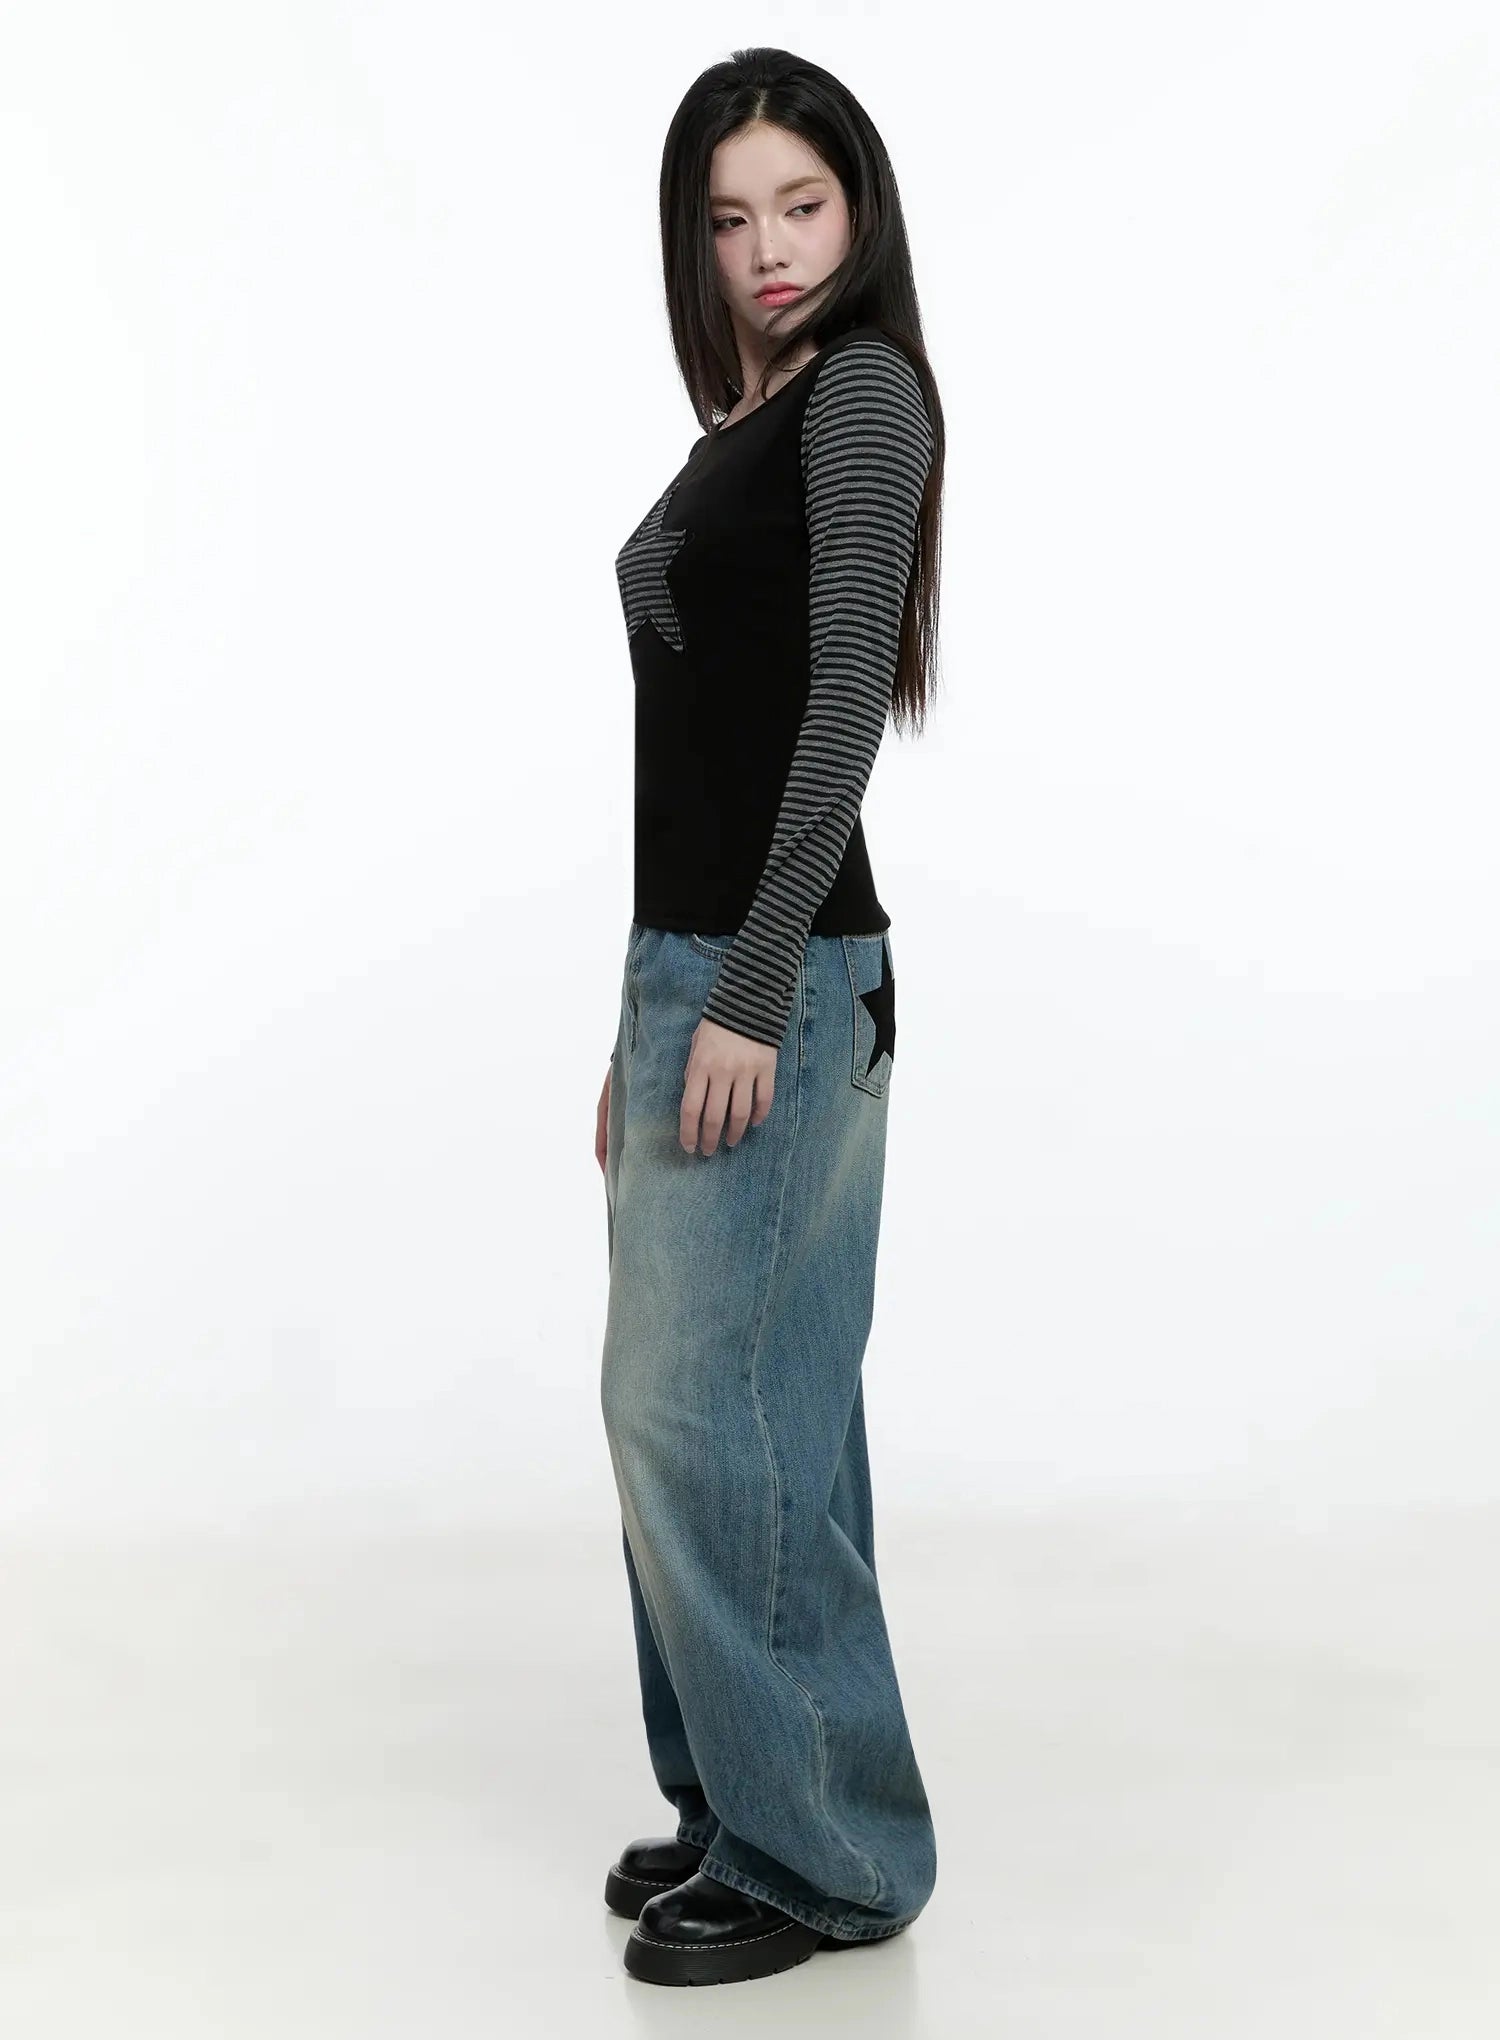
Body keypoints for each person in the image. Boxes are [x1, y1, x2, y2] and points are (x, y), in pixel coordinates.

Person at [594, 44, 946, 1989]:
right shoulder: (749, 411)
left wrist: (735, 987)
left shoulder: (865, 393)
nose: (768, 248)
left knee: (697, 1409)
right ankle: (751, 1794)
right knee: (739, 1410)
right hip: (700, 970)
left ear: (860, 206)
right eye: (730, 218)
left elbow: (833, 717)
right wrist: (637, 1018)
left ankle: (828, 1855)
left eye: (800, 204)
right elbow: (698, 750)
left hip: (782, 976)